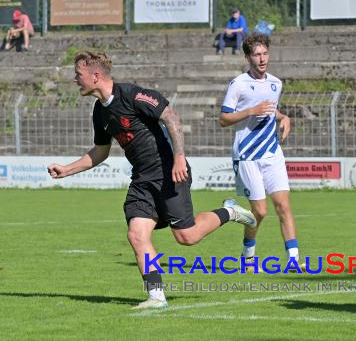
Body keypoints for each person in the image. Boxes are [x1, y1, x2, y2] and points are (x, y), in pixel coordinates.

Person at [47, 51, 256, 310]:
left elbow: (171, 118)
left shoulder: (133, 95)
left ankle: (230, 211)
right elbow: (100, 152)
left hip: (169, 172)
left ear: (95, 75)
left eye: (78, 74)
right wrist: (66, 170)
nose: (75, 79)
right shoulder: (99, 112)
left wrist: (179, 157)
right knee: (136, 234)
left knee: (187, 237)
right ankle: (156, 296)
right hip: (142, 180)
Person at [219, 34, 304, 271]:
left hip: (271, 152)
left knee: (284, 206)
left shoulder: (276, 83)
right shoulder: (238, 84)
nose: (262, 58)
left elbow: (270, 111)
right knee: (260, 211)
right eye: (257, 54)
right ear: (248, 58)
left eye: (265, 53)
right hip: (247, 155)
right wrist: (250, 111)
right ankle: (248, 254)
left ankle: (294, 260)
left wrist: (284, 117)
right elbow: (224, 119)